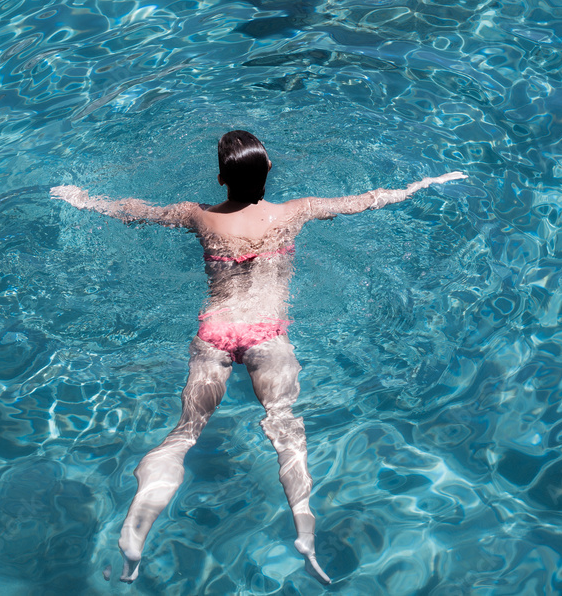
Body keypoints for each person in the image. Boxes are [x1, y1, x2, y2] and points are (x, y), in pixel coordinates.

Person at [50, 130, 466, 585]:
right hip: (268, 333)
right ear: (268, 170)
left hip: (215, 330)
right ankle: (304, 526)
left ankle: (135, 532)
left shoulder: (197, 216)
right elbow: (365, 200)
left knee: (184, 434)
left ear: (220, 179)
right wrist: (424, 184)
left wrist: (81, 198)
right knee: (284, 422)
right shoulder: (294, 212)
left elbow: (134, 211)